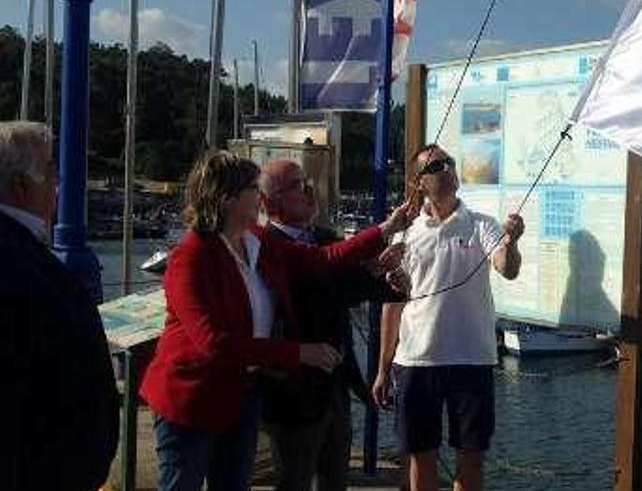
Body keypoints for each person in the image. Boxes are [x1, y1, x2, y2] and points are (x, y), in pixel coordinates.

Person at [140, 151, 413, 491]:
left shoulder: (257, 241)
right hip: (192, 399)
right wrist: (298, 353)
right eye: (253, 189)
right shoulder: (191, 257)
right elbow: (213, 342)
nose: (260, 197)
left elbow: (320, 259)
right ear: (227, 198)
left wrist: (386, 229)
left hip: (243, 395)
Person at [372, 144, 524, 491]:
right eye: (437, 165)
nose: (447, 169)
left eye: (450, 162)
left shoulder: (481, 224)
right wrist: (382, 369)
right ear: (419, 181)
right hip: (415, 360)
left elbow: (506, 267)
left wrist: (512, 242)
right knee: (420, 455)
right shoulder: (405, 232)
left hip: (471, 359)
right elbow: (394, 304)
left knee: (470, 457)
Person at [258, 158, 399, 491]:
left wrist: (386, 277)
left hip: (335, 384)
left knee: (335, 479)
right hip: (293, 389)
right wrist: (371, 266)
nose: (308, 189)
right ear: (271, 201)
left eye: (307, 180)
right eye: (296, 184)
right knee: (294, 480)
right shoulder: (268, 246)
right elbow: (314, 293)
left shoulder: (325, 237)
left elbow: (348, 290)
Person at [0, 121, 119, 490]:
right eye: (51, 170)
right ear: (20, 185)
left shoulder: (23, 250)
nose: (57, 183)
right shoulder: (11, 259)